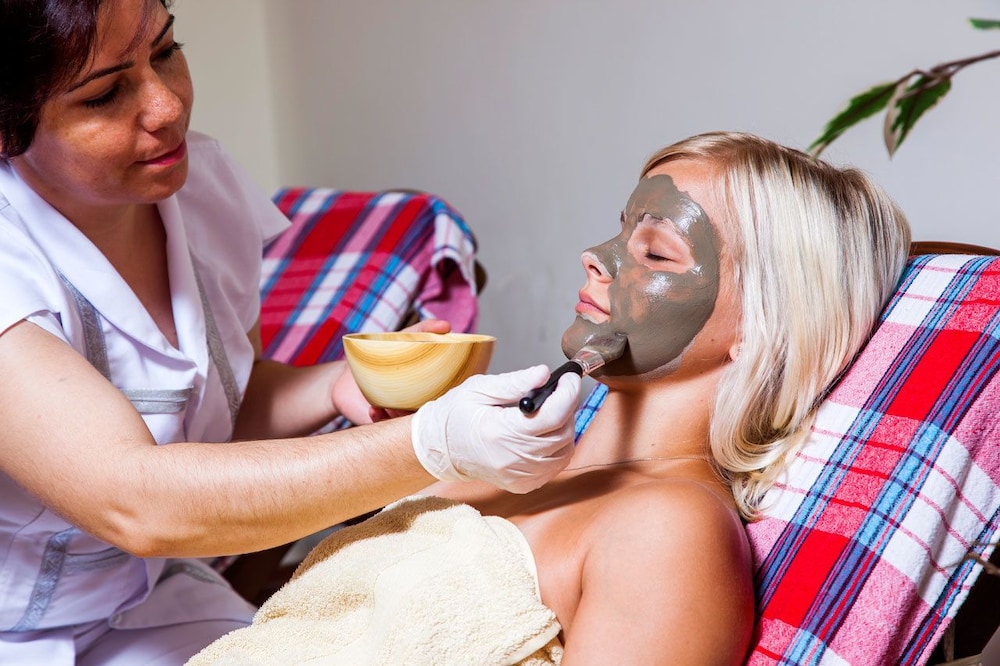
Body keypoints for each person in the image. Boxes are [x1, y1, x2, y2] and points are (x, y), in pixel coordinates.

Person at [0, 0, 582, 663]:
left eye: (165, 52)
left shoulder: (202, 190)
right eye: (104, 94)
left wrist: (335, 384)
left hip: (146, 603)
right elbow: (137, 502)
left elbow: (218, 414)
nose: (167, 106)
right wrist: (435, 442)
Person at [190, 131, 912, 665]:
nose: (596, 256)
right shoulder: (480, 464)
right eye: (622, 229)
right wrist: (401, 433)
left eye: (655, 251)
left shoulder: (667, 531)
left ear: (762, 326)